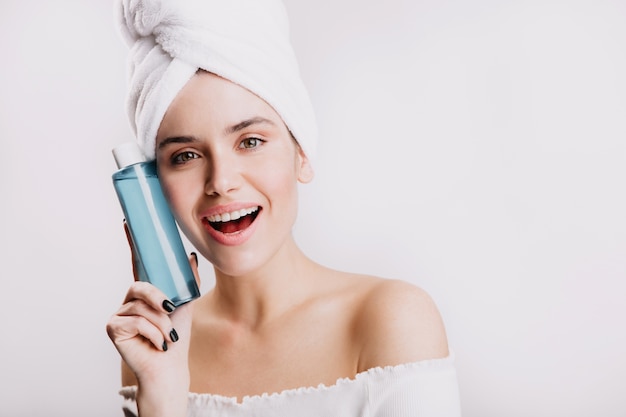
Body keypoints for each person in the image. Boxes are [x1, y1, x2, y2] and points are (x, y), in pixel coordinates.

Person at [106, 0, 462, 416]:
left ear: (302, 154)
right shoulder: (156, 343)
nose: (221, 181)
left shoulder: (393, 319)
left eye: (250, 141)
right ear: (154, 187)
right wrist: (164, 397)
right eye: (185, 155)